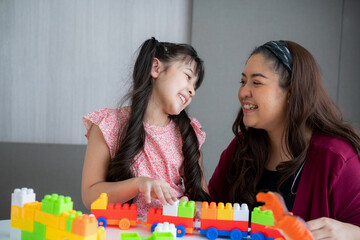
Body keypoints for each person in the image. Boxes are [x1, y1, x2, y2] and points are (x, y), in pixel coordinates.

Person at [208, 40, 360, 239]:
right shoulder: (241, 148)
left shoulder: (338, 160)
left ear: (291, 91)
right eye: (243, 81)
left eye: (257, 82)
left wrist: (351, 233)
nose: (243, 92)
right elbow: (207, 211)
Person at [81, 37, 211, 218]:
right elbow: (90, 197)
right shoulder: (108, 124)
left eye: (195, 86)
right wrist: (138, 184)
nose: (192, 91)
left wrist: (195, 206)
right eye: (188, 77)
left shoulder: (188, 133)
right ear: (155, 68)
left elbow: (203, 201)